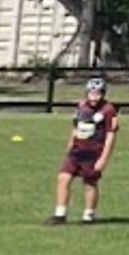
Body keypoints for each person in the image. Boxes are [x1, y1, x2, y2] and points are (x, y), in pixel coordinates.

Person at [50, 71, 119, 223]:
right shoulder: (81, 106)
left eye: (98, 94)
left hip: (93, 152)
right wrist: (70, 146)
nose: (94, 97)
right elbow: (75, 127)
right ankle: (60, 214)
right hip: (77, 150)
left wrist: (103, 158)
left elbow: (111, 135)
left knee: (89, 183)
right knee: (63, 178)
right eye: (91, 93)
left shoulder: (108, 110)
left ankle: (88, 215)